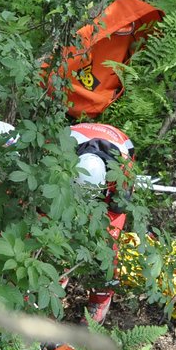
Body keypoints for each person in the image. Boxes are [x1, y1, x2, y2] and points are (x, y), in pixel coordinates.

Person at [71, 122, 135, 322]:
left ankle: (101, 297)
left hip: (119, 144)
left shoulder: (121, 169)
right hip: (81, 137)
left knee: (108, 244)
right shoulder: (64, 148)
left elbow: (119, 208)